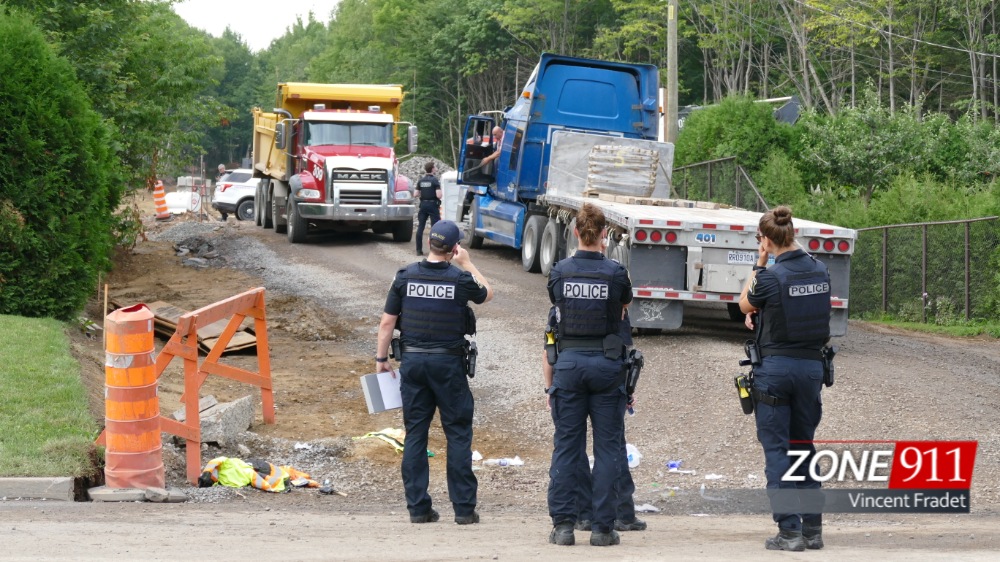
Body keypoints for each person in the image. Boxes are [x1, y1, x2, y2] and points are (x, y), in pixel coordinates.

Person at [375, 220, 494, 526]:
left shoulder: (404, 276)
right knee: (457, 433)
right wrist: (467, 262)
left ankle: (418, 509)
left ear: (429, 241)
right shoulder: (460, 277)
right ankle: (464, 510)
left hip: (413, 365)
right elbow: (487, 293)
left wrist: (380, 359)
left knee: (416, 434)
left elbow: (387, 322)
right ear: (454, 248)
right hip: (448, 366)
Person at [738, 205, 832, 552]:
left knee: (778, 451)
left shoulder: (770, 276)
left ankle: (789, 532)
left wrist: (759, 262)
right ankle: (813, 530)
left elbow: (744, 304)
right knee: (803, 447)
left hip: (775, 371)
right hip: (811, 371)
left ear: (765, 240)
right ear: (793, 233)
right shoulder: (820, 270)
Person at [544, 203, 632, 547]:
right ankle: (602, 528)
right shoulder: (616, 273)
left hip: (569, 364)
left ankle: (564, 526)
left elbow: (557, 306)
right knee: (608, 449)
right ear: (604, 235)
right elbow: (624, 305)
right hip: (607, 366)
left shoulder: (559, 271)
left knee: (567, 447)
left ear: (576, 232)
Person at [573, 309, 646, 533]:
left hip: (572, 375)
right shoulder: (614, 291)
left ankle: (584, 515)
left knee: (572, 446)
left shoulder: (565, 288)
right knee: (612, 447)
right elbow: (624, 351)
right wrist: (628, 389)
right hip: (608, 377)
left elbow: (550, 349)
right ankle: (622, 513)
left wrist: (551, 387)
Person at [414, 161, 442, 256]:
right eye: (435, 167)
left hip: (423, 205)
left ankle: (418, 250)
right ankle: (434, 250)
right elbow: (439, 195)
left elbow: (415, 194)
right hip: (433, 205)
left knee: (420, 227)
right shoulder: (434, 180)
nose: (436, 169)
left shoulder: (421, 181)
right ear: (432, 169)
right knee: (435, 228)